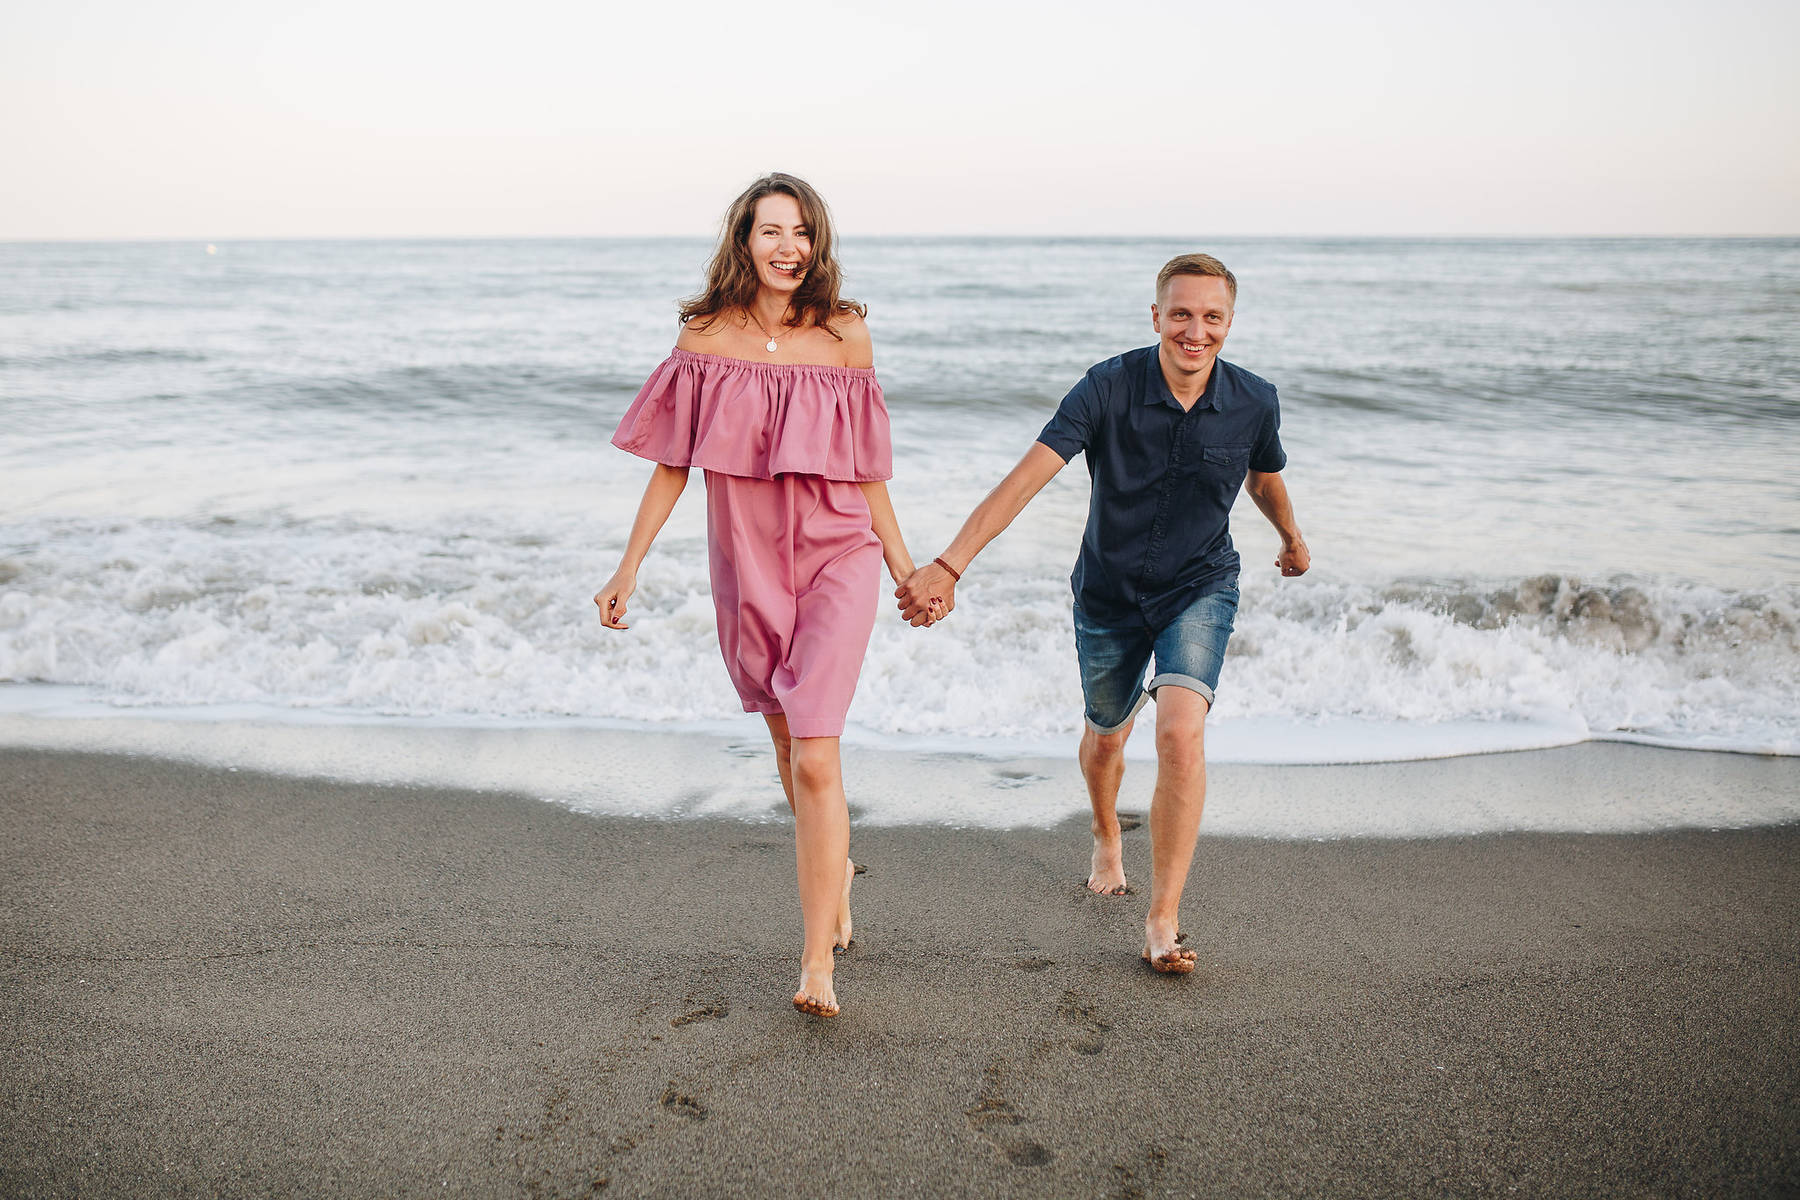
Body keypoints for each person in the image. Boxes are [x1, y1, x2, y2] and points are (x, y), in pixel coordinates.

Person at [895, 253, 1309, 973]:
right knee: (1108, 737)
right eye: (1181, 314)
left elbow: (1263, 477)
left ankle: (1162, 921)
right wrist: (950, 563)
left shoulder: (1254, 400)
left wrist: (1292, 539)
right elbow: (1024, 480)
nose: (1195, 331)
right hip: (1109, 594)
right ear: (1156, 317)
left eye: (1212, 317)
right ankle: (1105, 833)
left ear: (1230, 323)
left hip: (1201, 585)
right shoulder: (1107, 387)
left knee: (1181, 733)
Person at [595, 173, 919, 1017]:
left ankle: (817, 963)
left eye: (803, 233)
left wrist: (904, 567)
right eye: (771, 231)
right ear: (743, 239)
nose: (789, 248)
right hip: (747, 564)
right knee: (787, 751)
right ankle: (834, 865)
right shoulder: (704, 336)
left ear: (818, 245)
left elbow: (868, 471)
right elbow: (674, 460)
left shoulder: (846, 334)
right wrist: (629, 565)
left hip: (837, 553)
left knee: (817, 753)